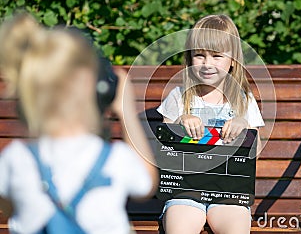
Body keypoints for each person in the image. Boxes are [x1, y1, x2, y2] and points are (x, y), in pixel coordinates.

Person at [0, 13, 158, 234]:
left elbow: (7, 207)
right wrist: (125, 112)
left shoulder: (15, 160)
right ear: (95, 89)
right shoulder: (116, 160)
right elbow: (147, 183)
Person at [156, 14, 265, 234]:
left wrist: (244, 128)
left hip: (229, 195)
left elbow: (257, 151)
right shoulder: (179, 97)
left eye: (217, 56)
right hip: (184, 193)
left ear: (233, 61)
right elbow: (164, 149)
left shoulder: (244, 100)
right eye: (199, 55)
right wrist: (179, 122)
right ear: (189, 58)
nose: (207, 64)